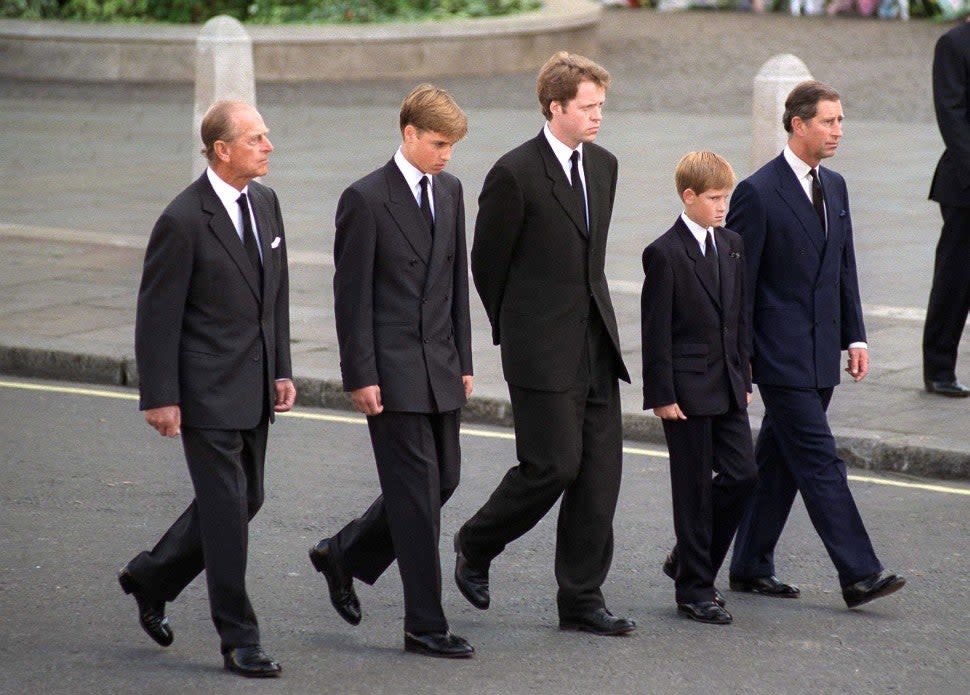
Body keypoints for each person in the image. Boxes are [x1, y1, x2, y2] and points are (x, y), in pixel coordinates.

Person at [453, 51, 635, 637]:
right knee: (552, 466)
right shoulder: (515, 174)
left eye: (601, 107)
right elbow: (487, 265)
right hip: (540, 348)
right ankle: (476, 541)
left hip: (595, 344)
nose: (597, 117)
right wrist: (517, 333)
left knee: (599, 477)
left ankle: (581, 599)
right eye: (587, 107)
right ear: (555, 106)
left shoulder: (604, 166)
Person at [118, 100, 295, 677]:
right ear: (222, 150)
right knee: (224, 512)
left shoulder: (265, 203)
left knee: (248, 499)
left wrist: (282, 368)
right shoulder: (184, 219)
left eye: (267, 137)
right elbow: (157, 315)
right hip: (205, 391)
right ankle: (239, 638)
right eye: (256, 138)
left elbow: (276, 298)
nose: (269, 146)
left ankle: (152, 576)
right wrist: (160, 396)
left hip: (254, 383)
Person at [308, 85, 474, 659]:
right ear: (407, 134)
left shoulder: (451, 191)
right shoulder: (366, 198)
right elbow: (349, 298)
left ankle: (344, 553)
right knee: (416, 499)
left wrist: (466, 362)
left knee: (443, 482)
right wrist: (360, 374)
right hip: (392, 370)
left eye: (452, 145)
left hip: (441, 365)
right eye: (437, 143)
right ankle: (423, 625)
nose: (446, 155)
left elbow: (456, 284)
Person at [727, 81, 905, 609]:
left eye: (841, 121)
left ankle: (742, 561)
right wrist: (740, 361)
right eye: (828, 121)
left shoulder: (838, 187)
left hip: (822, 348)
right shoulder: (757, 192)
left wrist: (855, 334)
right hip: (778, 356)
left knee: (776, 464)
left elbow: (843, 268)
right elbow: (740, 286)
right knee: (820, 460)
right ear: (798, 124)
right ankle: (859, 573)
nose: (838, 131)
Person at [642, 152, 757, 625]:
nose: (722, 206)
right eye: (713, 198)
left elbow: (740, 316)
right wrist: (662, 394)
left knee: (744, 475)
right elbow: (656, 331)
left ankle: (690, 559)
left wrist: (744, 373)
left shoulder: (732, 243)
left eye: (726, 196)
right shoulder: (664, 252)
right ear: (688, 197)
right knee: (691, 490)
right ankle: (694, 589)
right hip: (685, 392)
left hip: (728, 383)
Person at [923, 18, 970, 397]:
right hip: (965, 185)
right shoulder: (953, 43)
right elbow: (951, 115)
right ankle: (939, 368)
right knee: (956, 280)